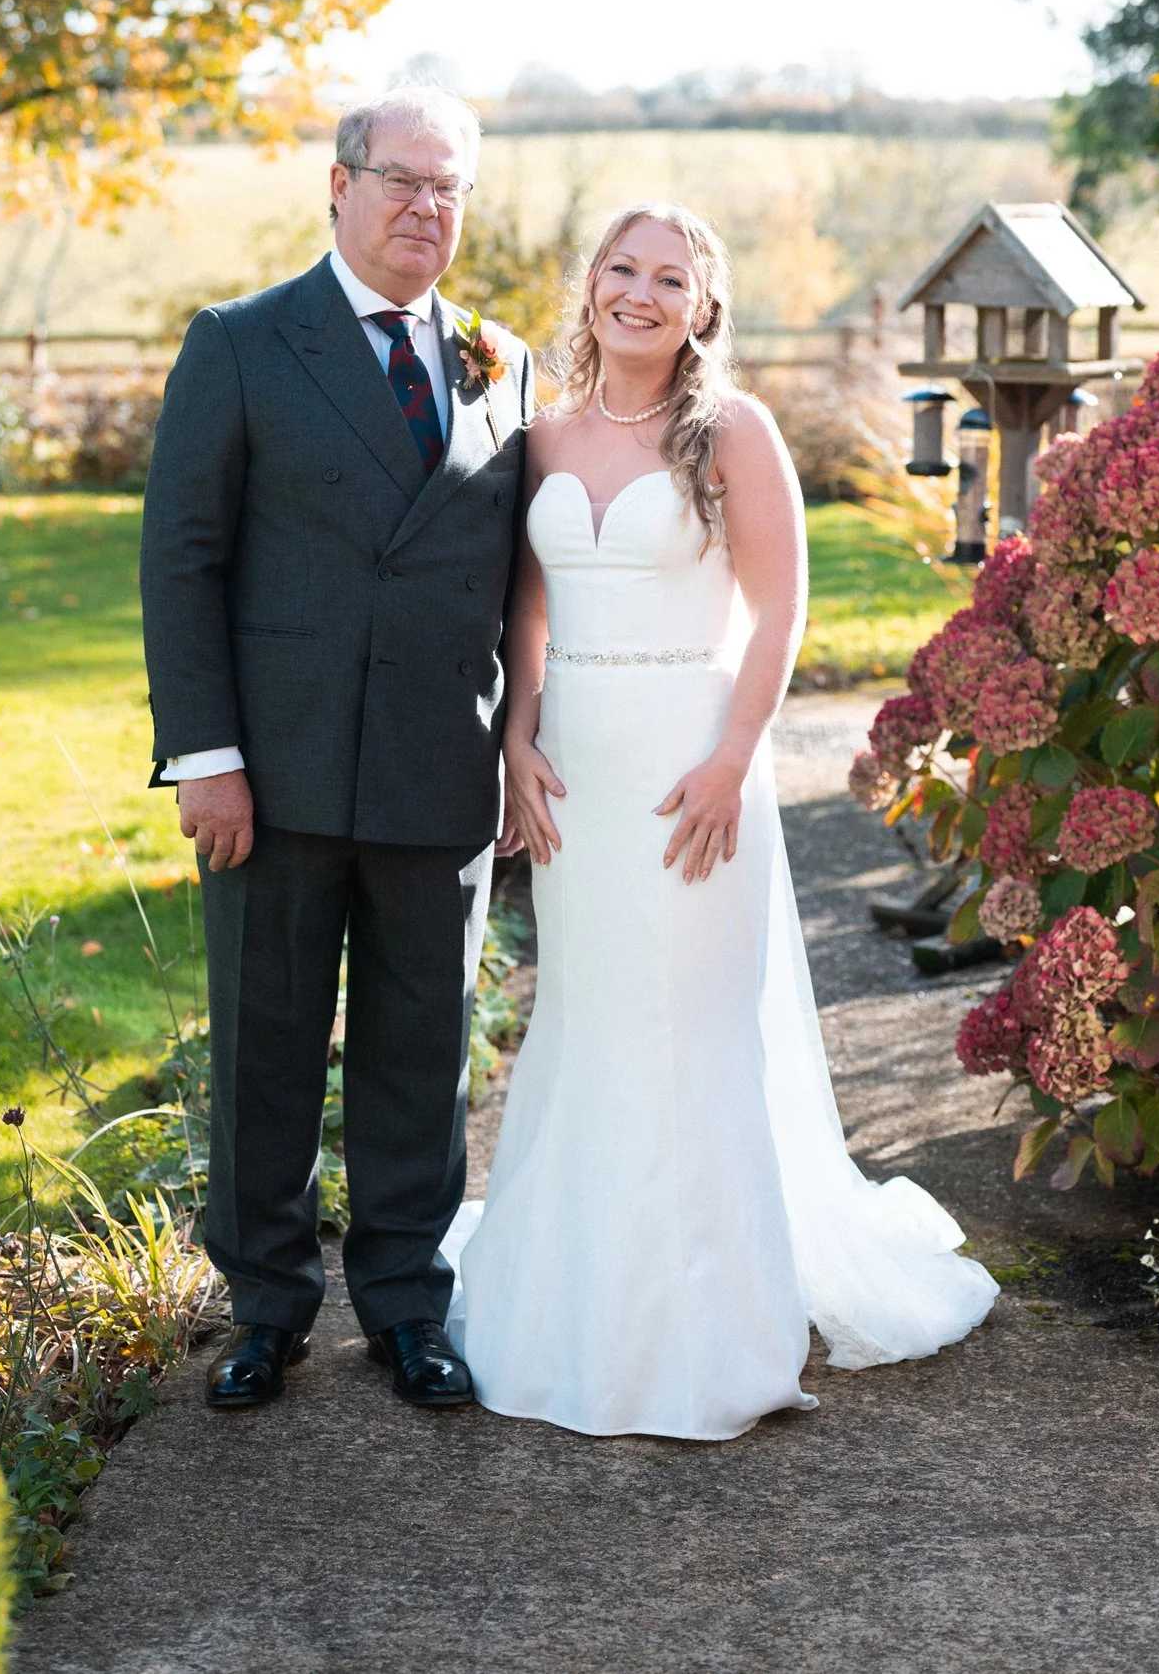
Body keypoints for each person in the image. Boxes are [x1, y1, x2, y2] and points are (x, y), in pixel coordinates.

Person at [449, 202, 997, 1440]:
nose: (637, 292)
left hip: (692, 767)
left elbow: (779, 612)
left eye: (668, 277)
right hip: (575, 772)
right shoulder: (540, 434)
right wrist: (516, 735)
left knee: (687, 1028)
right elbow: (524, 607)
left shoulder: (731, 433)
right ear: (588, 283)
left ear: (703, 305)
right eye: (619, 268)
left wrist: (730, 759)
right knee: (584, 1017)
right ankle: (567, 1302)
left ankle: (699, 1329)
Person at [139, 85, 533, 1411]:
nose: (425, 207)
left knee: (422, 1053)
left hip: (439, 767)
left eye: (448, 188)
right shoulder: (242, 344)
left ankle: (408, 1309)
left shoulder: (500, 360)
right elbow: (181, 563)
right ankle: (264, 1309)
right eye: (400, 180)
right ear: (337, 185)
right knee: (266, 1046)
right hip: (279, 774)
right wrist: (205, 754)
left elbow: (516, 572)